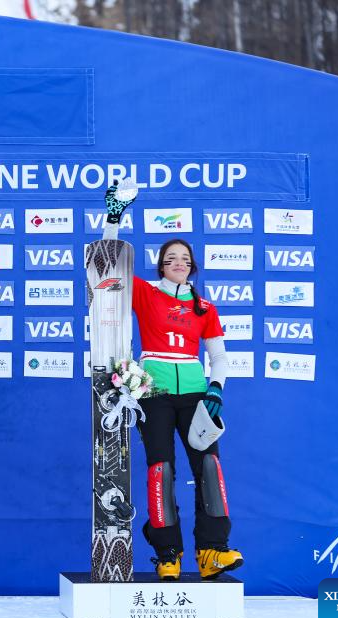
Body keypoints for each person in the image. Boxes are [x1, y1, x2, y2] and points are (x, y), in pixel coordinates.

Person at [103, 185, 244, 581]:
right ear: (161, 267)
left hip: (197, 396)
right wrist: (113, 218)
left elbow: (219, 357)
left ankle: (212, 551)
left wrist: (216, 389)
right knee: (161, 470)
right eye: (171, 259)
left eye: (184, 258)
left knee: (209, 469)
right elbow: (108, 263)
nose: (178, 263)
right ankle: (168, 553)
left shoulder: (204, 307)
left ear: (192, 266)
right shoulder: (146, 293)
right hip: (155, 393)